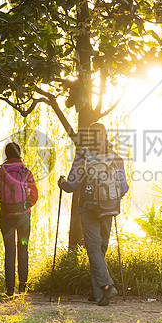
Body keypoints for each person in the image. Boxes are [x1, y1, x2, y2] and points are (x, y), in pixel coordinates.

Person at [58, 122, 129, 306]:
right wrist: (110, 197)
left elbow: (72, 186)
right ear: (106, 136)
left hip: (88, 208)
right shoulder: (116, 158)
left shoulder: (83, 156)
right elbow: (123, 187)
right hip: (109, 209)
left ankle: (107, 287)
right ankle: (96, 293)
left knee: (94, 250)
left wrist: (62, 183)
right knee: (100, 250)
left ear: (90, 137)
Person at [0, 142, 38, 297]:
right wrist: (25, 207)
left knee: (10, 250)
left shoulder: (0, 173)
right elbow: (34, 195)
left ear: (7, 154)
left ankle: (10, 289)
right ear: (19, 153)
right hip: (23, 218)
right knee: (23, 249)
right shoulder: (26, 172)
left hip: (6, 217)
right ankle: (23, 285)